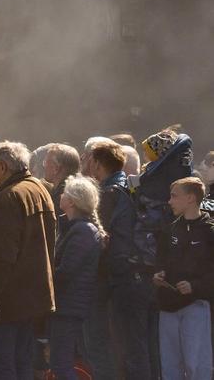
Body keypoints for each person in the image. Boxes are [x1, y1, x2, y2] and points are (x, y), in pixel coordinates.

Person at [0, 141, 56, 380]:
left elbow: (1, 255)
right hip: (29, 296)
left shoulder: (8, 198)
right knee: (21, 362)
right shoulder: (38, 189)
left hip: (4, 302)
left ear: (2, 166)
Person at [85, 139, 152, 380]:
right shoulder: (130, 189)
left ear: (97, 163)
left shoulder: (107, 195)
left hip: (117, 277)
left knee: (116, 344)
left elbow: (99, 239)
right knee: (136, 344)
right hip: (137, 274)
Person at [152, 177, 214, 380]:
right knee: (169, 367)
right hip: (167, 307)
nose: (169, 201)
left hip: (196, 306)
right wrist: (159, 274)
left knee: (196, 365)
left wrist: (195, 286)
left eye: (174, 196)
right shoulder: (168, 229)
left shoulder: (209, 230)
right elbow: (159, 260)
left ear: (190, 198)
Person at [49, 175, 103, 380]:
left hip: (69, 307)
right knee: (61, 362)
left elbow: (67, 271)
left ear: (71, 201)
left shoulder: (81, 231)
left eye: (64, 193)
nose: (60, 195)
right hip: (69, 306)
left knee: (61, 364)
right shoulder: (77, 228)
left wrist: (44, 275)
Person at [42, 143, 81, 232]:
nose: (43, 166)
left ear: (56, 168)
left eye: (46, 162)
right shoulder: (80, 191)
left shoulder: (63, 196)